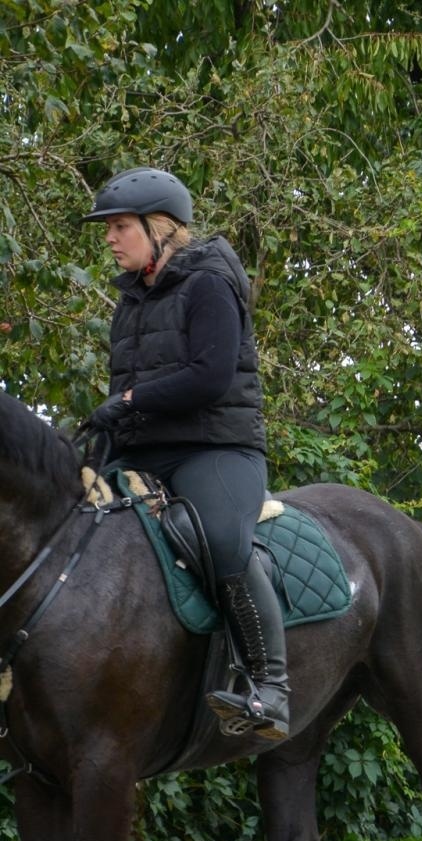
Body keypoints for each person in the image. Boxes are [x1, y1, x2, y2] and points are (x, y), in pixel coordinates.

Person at [80, 166, 289, 739]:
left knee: (221, 538)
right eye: (110, 228)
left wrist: (127, 399)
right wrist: (100, 444)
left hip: (216, 448)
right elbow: (131, 394)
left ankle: (271, 689)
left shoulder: (210, 282)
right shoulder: (131, 302)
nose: (110, 238)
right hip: (145, 451)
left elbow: (210, 377)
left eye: (120, 227)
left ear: (161, 229)